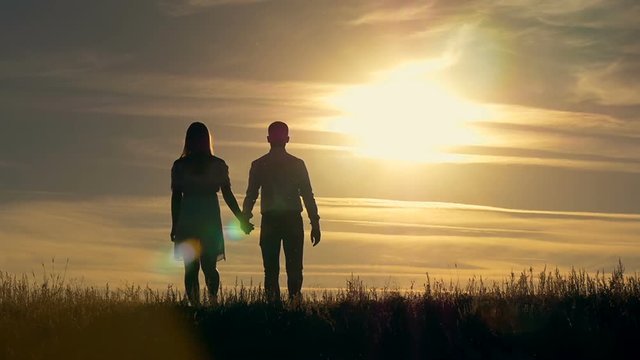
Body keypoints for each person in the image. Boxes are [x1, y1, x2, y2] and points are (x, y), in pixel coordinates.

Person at [171, 122, 253, 305]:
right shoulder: (217, 165)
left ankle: (200, 304)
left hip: (190, 215)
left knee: (193, 267)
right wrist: (241, 219)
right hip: (207, 214)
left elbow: (176, 197)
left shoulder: (181, 166)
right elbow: (228, 195)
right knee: (208, 265)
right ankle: (211, 302)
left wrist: (175, 224)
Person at [242, 121, 321, 301]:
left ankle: (275, 308)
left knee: (271, 270)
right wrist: (315, 221)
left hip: (271, 220)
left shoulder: (259, 164)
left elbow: (251, 195)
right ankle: (293, 305)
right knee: (293, 269)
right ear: (287, 139)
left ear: (268, 139)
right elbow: (307, 195)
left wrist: (245, 217)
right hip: (290, 219)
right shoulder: (297, 164)